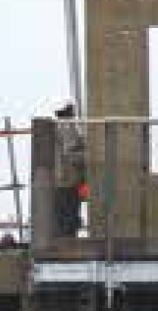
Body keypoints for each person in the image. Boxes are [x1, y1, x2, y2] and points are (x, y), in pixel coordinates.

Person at [53, 102, 86, 238]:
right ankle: (68, 242)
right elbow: (71, 154)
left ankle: (66, 240)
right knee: (69, 217)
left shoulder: (58, 127)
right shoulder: (66, 126)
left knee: (64, 217)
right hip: (68, 181)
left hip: (62, 180)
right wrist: (91, 154)